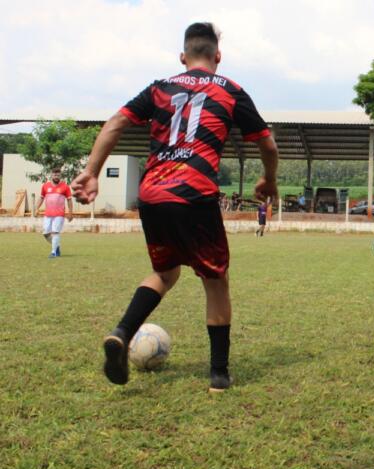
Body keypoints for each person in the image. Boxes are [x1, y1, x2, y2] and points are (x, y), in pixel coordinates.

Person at [71, 22, 279, 391]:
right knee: (215, 281)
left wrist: (91, 171)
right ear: (218, 56)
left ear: (183, 57)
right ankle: (218, 375)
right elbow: (268, 144)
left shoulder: (160, 88)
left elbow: (116, 123)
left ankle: (122, 332)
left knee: (165, 273)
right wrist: (269, 179)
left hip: (153, 194)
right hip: (194, 193)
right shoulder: (230, 90)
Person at [35, 167, 73, 258]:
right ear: (51, 175)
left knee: (55, 232)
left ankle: (53, 252)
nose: (56, 177)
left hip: (59, 214)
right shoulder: (45, 186)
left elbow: (69, 200)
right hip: (48, 214)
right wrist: (36, 208)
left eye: (58, 175)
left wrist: (70, 213)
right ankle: (56, 246)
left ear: (60, 176)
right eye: (55, 175)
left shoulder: (65, 187)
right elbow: (41, 198)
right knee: (45, 233)